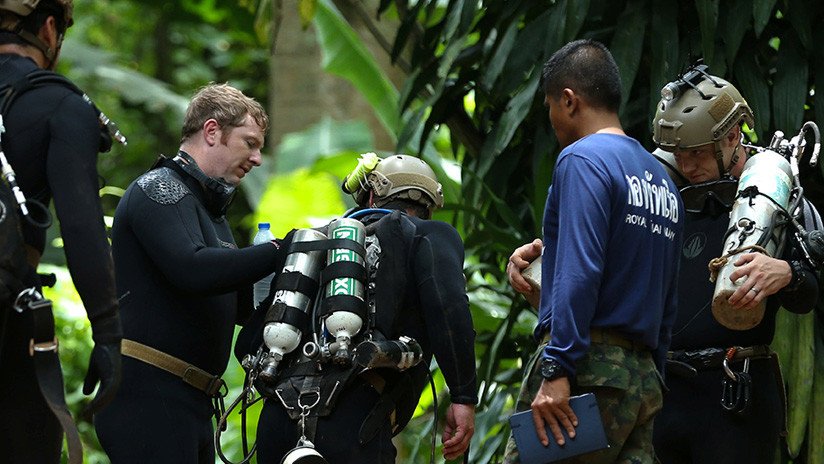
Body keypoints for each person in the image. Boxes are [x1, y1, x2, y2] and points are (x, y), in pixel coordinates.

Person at [502, 39, 683, 464]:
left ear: (568, 100)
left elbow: (581, 269)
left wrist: (558, 368)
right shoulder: (662, 180)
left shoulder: (582, 160)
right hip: (642, 381)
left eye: (549, 106)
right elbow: (665, 294)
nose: (550, 119)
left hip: (586, 370)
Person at [93, 83, 291, 463]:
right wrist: (280, 249)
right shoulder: (158, 190)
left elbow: (239, 308)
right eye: (249, 143)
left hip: (190, 402)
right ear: (212, 131)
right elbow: (192, 269)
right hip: (149, 397)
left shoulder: (210, 212)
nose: (257, 158)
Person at [235, 154, 477, 463]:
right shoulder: (428, 235)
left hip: (277, 423)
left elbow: (250, 337)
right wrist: (463, 397)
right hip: (352, 422)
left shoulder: (312, 244)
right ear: (428, 206)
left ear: (371, 195)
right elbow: (449, 308)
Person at [647, 68, 820, 463]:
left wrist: (786, 273)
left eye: (698, 153)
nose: (688, 165)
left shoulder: (775, 195)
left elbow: (808, 291)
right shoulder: (663, 195)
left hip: (734, 397)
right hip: (663, 396)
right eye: (679, 154)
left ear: (732, 137)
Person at [0, 1, 123, 462]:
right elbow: (81, 229)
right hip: (11, 318)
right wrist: (108, 332)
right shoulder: (60, 104)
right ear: (48, 29)